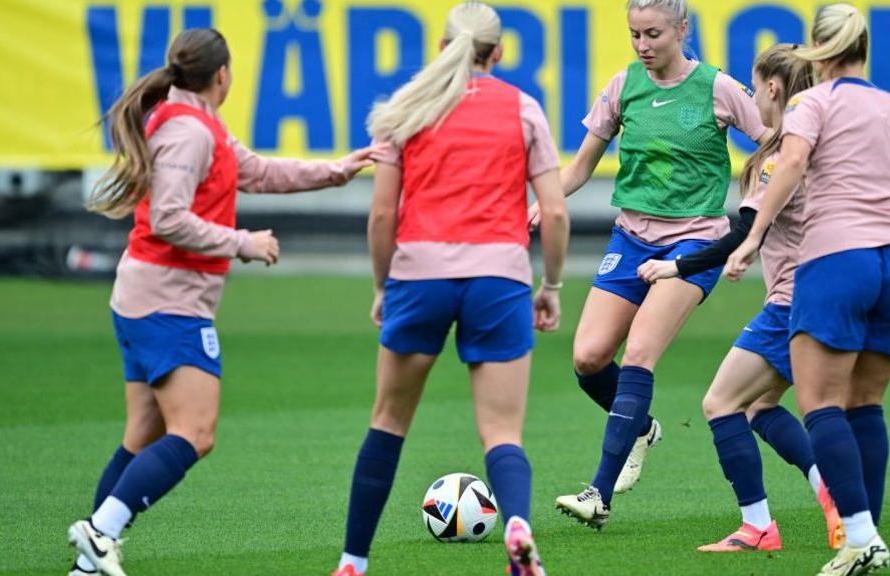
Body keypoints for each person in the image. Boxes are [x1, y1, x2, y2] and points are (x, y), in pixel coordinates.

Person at [67, 28, 381, 576]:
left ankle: (89, 564)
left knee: (143, 436)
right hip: (168, 301)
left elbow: (257, 170)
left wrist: (339, 170)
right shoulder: (189, 131)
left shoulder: (194, 121)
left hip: (146, 296)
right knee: (195, 432)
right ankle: (100, 531)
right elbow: (168, 218)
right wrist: (243, 242)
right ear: (223, 74)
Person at [331, 3, 568, 576]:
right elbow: (555, 214)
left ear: (440, 48)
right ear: (499, 53)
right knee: (502, 431)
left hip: (420, 275)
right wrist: (551, 285)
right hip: (499, 278)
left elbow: (382, 216)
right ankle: (517, 528)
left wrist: (384, 285)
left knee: (388, 421)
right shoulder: (523, 108)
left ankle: (352, 562)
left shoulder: (407, 109)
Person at [724, 4, 890, 574]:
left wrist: (752, 239)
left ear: (819, 52)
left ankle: (862, 538)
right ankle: (866, 533)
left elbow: (791, 162)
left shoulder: (811, 103)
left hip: (836, 259)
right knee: (866, 404)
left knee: (820, 404)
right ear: (865, 49)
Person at [545, 0, 769, 528]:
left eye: (653, 33)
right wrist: (537, 202)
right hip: (632, 237)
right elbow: (578, 169)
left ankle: (599, 494)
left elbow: (775, 143)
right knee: (589, 358)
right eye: (634, 34)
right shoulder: (623, 87)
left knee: (641, 351)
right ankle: (642, 428)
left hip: (694, 243)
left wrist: (756, 203)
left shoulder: (718, 88)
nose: (643, 45)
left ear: (682, 30)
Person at [638, 43, 844, 552]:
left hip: (793, 300)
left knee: (720, 403)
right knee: (761, 405)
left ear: (772, 89)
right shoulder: (823, 145)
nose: (752, 98)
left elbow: (743, 233)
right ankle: (829, 491)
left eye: (754, 89)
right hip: (832, 295)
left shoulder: (777, 158)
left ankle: (758, 527)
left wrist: (677, 265)